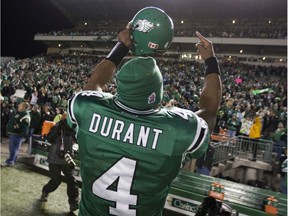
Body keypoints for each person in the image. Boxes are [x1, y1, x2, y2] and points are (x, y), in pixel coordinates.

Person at [67, 13, 222, 216]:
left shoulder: (86, 107)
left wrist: (121, 46)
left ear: (119, 87)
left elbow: (93, 84)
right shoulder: (179, 129)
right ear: (156, 93)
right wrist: (210, 60)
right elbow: (210, 111)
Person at [40, 112, 79, 212]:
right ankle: (45, 191)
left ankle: (73, 203)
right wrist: (58, 127)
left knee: (71, 180)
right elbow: (49, 138)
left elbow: (78, 140)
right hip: (54, 158)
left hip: (67, 159)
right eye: (65, 117)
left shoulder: (74, 129)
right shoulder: (57, 126)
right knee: (56, 181)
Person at [2, 101, 31, 166]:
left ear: (24, 107)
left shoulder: (25, 114)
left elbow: (25, 125)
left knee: (13, 148)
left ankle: (10, 162)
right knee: (12, 148)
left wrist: (16, 127)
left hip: (17, 134)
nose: (18, 106)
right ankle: (13, 160)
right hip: (13, 133)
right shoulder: (19, 113)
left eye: (20, 105)